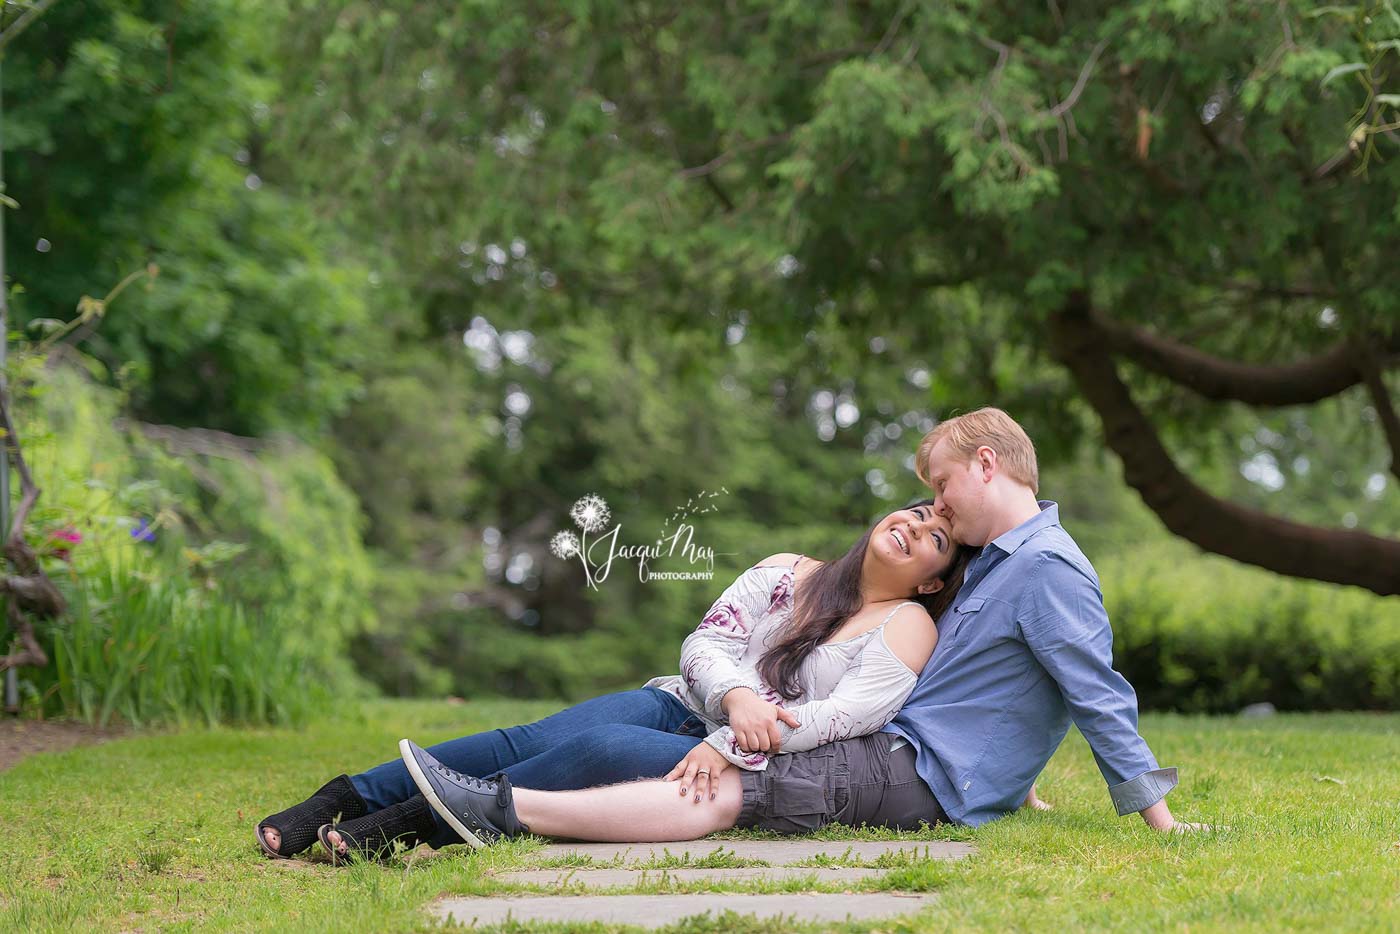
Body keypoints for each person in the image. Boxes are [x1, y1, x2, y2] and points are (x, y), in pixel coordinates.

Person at [387, 407, 1201, 852]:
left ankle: (500, 814)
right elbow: (996, 682)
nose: (936, 507)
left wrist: (1157, 820)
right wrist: (1016, 780)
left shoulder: (1047, 567)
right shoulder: (996, 559)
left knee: (720, 793)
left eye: (943, 485)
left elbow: (1093, 692)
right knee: (667, 761)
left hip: (903, 765)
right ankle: (439, 806)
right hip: (897, 750)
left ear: (988, 463)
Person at [256, 498, 971, 861]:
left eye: (936, 535)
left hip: (739, 754)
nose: (915, 525)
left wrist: (729, 741)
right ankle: (347, 794)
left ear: (934, 577)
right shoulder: (791, 569)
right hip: (681, 702)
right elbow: (707, 640)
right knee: (526, 737)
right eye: (914, 511)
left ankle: (411, 822)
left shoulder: (907, 626)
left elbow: (844, 719)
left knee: (596, 751)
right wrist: (737, 694)